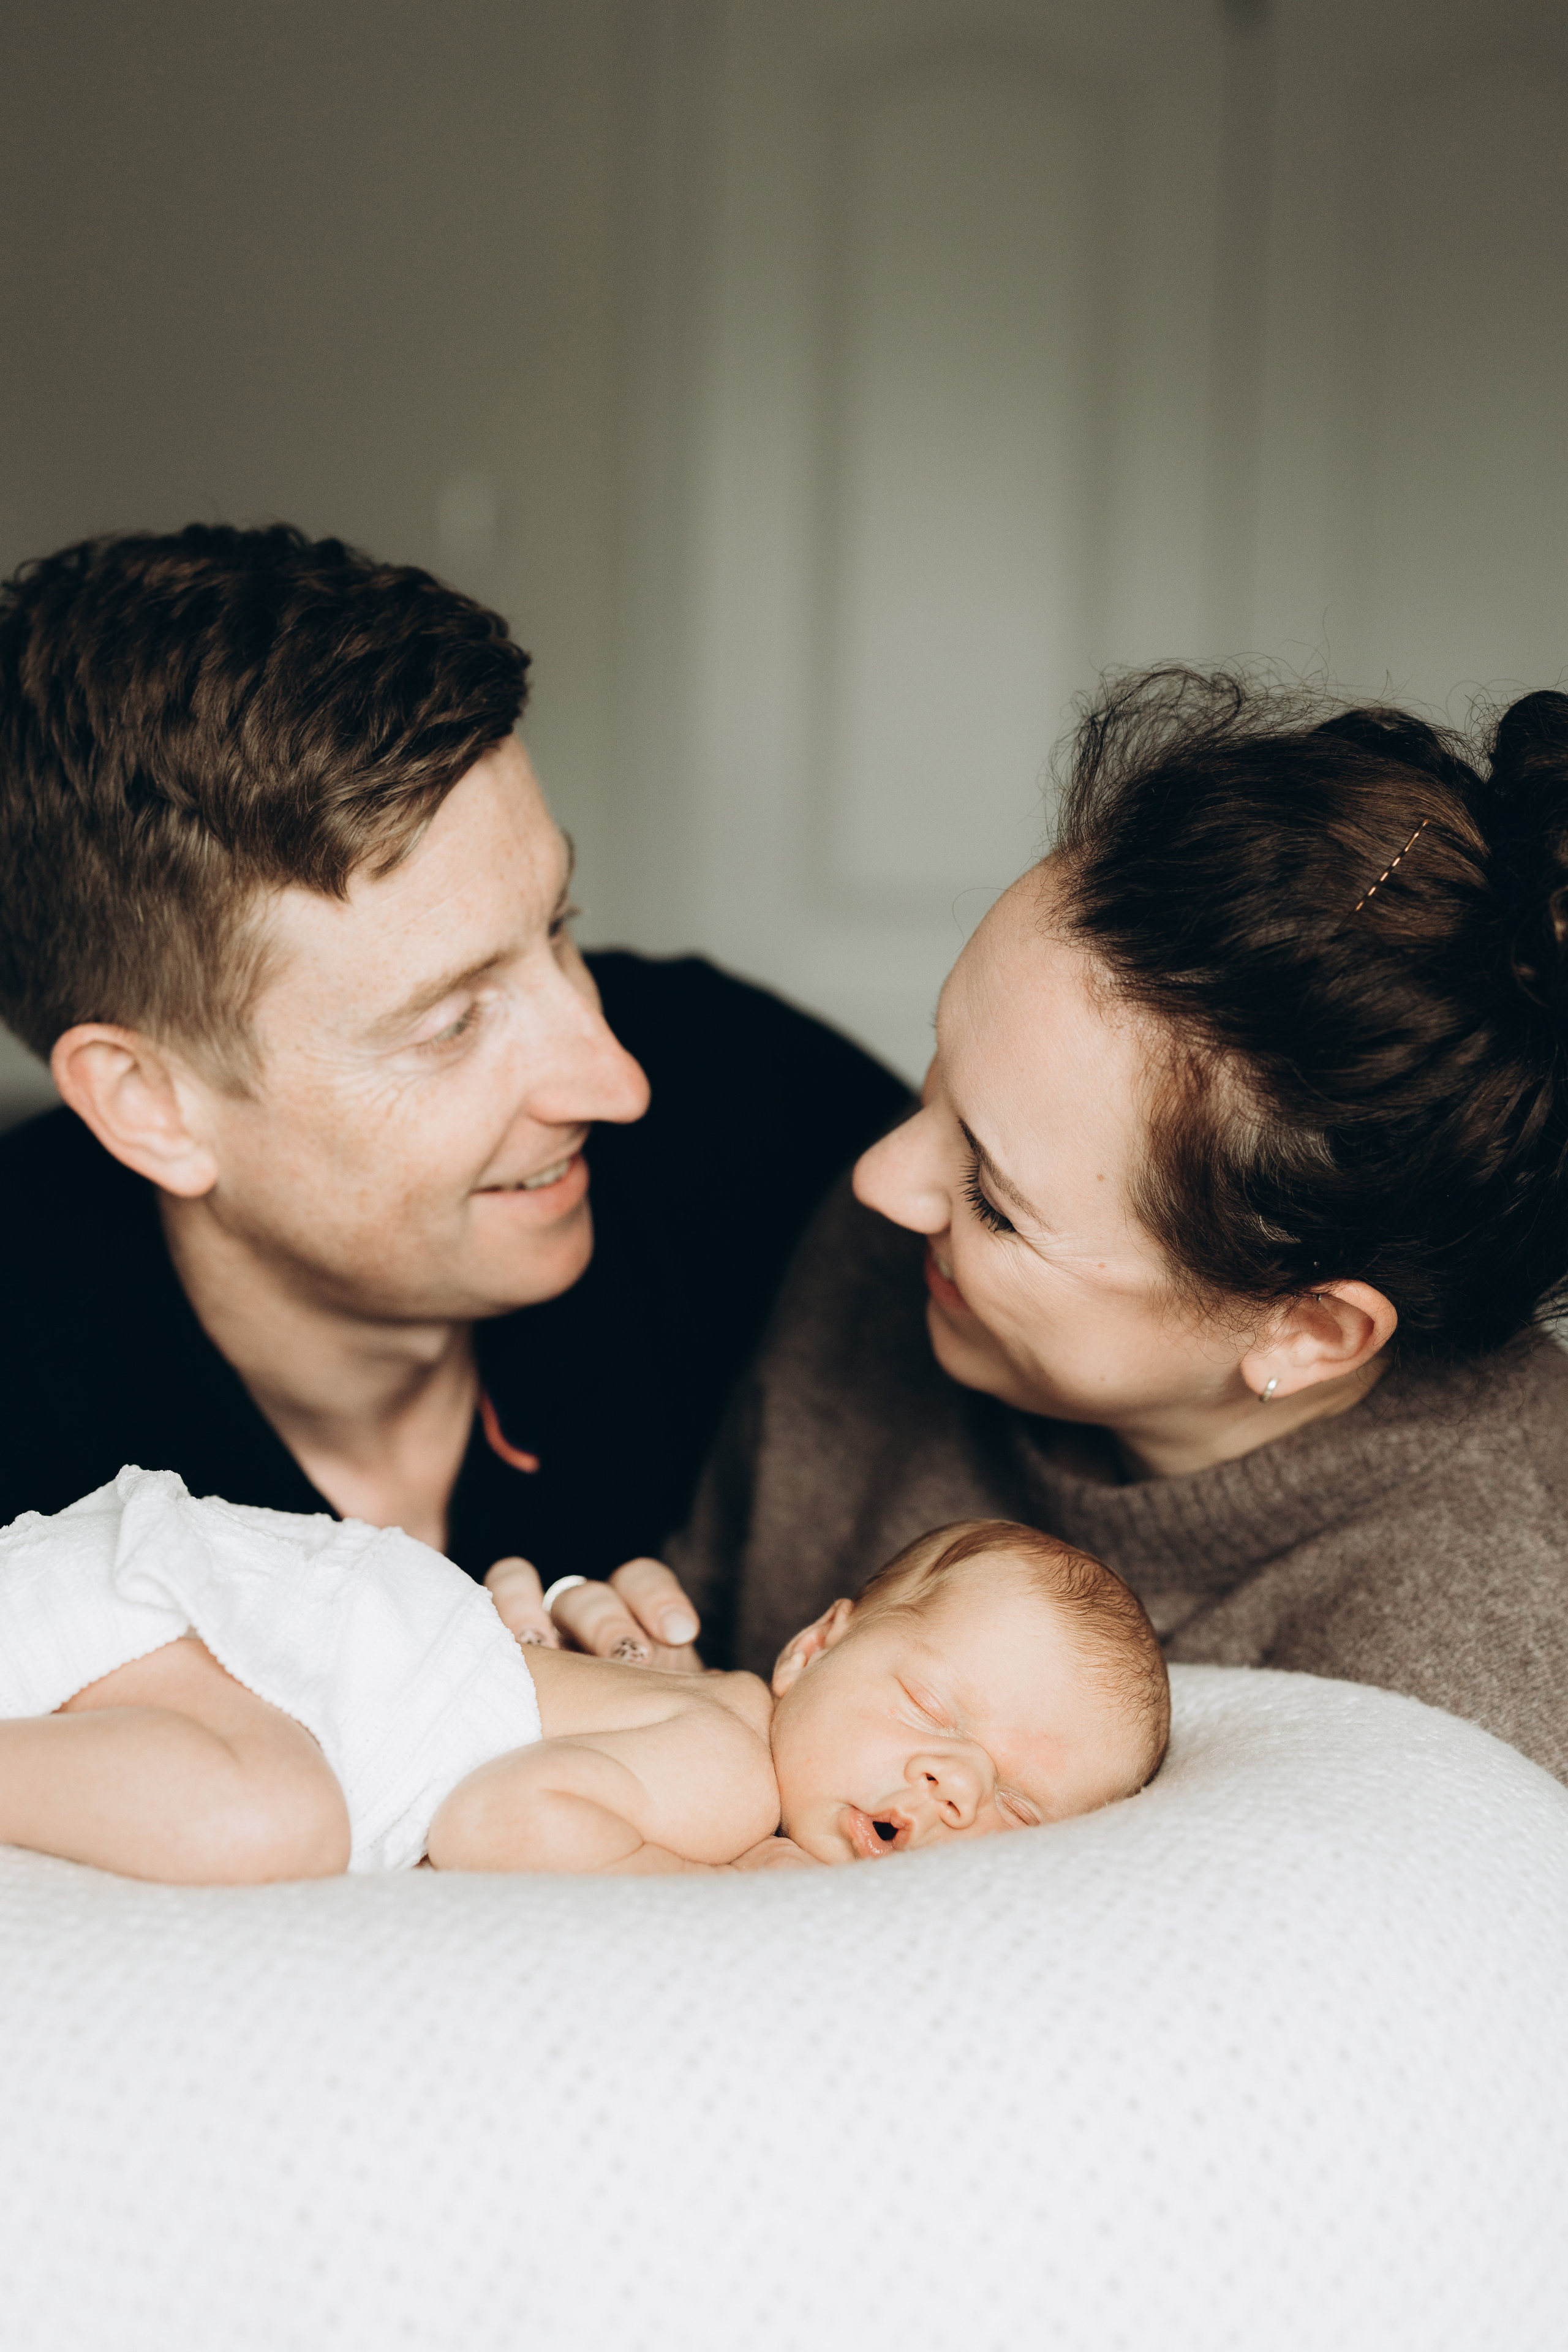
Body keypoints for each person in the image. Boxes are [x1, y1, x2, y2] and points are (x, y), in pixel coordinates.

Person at [0, 526, 909, 1661]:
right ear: (149, 1104)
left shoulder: (744, 1107)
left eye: (560, 930)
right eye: (453, 1020)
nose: (616, 1082)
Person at [669, 669, 1568, 1783]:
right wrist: (600, 1671)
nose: (880, 1180)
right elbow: (710, 1680)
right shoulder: (898, 1262)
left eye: (994, 1200)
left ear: (1309, 1330)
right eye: (936, 1072)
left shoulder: (1465, 1679)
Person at [0, 1466, 1167, 1879]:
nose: (951, 1780)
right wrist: (721, 1892)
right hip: (220, 1627)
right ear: (813, 1648)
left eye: (1016, 1804)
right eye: (928, 1704)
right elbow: (501, 1819)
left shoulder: (700, 1723)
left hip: (208, 1633)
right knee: (263, 1822)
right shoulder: (729, 1774)